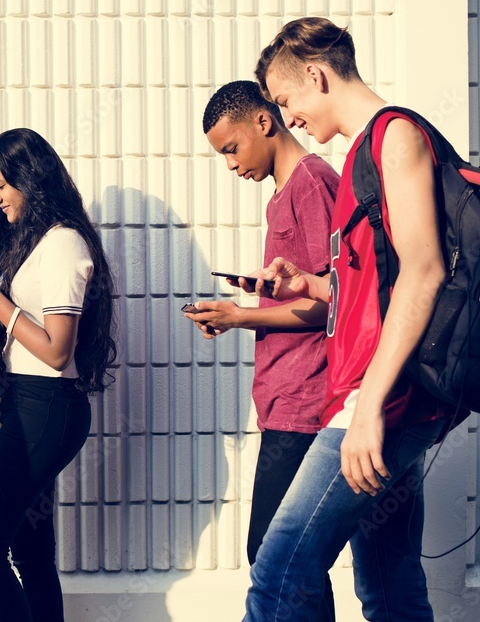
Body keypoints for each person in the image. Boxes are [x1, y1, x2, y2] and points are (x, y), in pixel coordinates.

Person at [243, 17, 452, 621]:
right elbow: (379, 287)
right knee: (388, 580)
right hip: (381, 395)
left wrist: (368, 410)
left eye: (287, 103)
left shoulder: (395, 135)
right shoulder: (363, 153)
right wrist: (312, 284)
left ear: (315, 75)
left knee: (279, 566)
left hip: (383, 399)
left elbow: (424, 272)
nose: (292, 119)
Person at [0, 128, 117, 621]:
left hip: (45, 408)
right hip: (29, 405)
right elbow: (26, 333)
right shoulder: (39, 242)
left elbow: (57, 351)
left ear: (30, 178)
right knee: (32, 556)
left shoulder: (63, 243)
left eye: (0, 185)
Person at [186, 80, 339, 622]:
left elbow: (333, 301)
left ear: (262, 122)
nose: (230, 165)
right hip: (284, 399)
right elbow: (306, 285)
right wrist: (255, 291)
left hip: (306, 401)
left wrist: (239, 316)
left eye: (231, 148)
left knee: (273, 555)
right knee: (294, 560)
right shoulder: (283, 193)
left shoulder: (310, 183)